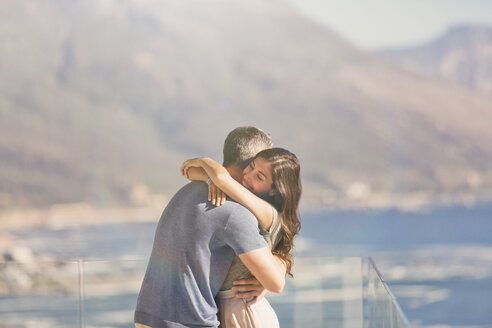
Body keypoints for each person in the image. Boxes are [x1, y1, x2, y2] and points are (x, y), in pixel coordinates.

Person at [134, 127, 287, 328]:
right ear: (252, 163)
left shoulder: (185, 192)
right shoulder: (234, 212)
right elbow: (275, 282)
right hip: (187, 323)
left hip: (147, 317)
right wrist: (270, 275)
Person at [181, 147, 302, 327]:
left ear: (273, 191)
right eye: (251, 166)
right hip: (226, 309)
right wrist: (209, 178)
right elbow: (187, 171)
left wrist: (205, 162)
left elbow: (218, 177)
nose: (248, 175)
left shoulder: (266, 211)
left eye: (259, 176)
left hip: (246, 314)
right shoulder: (247, 205)